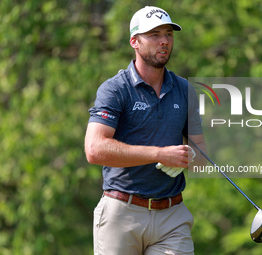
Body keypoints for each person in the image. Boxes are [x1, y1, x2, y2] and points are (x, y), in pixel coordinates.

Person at [85, 6, 206, 255]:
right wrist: (159, 154)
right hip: (122, 212)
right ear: (135, 42)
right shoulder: (115, 89)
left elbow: (201, 154)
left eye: (169, 34)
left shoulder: (185, 90)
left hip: (172, 216)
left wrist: (188, 157)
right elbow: (94, 149)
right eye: (154, 34)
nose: (164, 41)